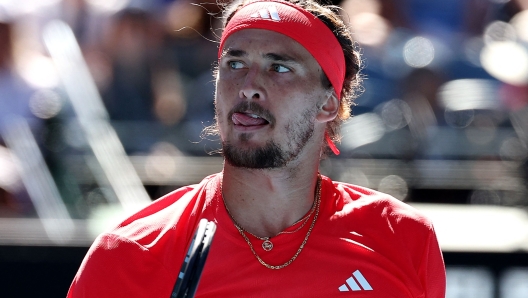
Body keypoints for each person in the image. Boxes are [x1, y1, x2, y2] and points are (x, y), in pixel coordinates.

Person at [67, 0, 446, 297]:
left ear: (328, 103)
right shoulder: (129, 255)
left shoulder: (405, 238)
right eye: (234, 64)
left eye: (279, 68)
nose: (248, 86)